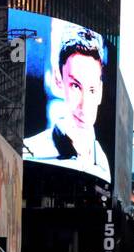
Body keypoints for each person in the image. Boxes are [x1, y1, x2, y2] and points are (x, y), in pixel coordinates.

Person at [23, 25, 112, 183]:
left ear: (100, 92)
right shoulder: (31, 152)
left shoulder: (103, 164)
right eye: (75, 86)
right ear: (59, 80)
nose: (84, 107)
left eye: (91, 90)